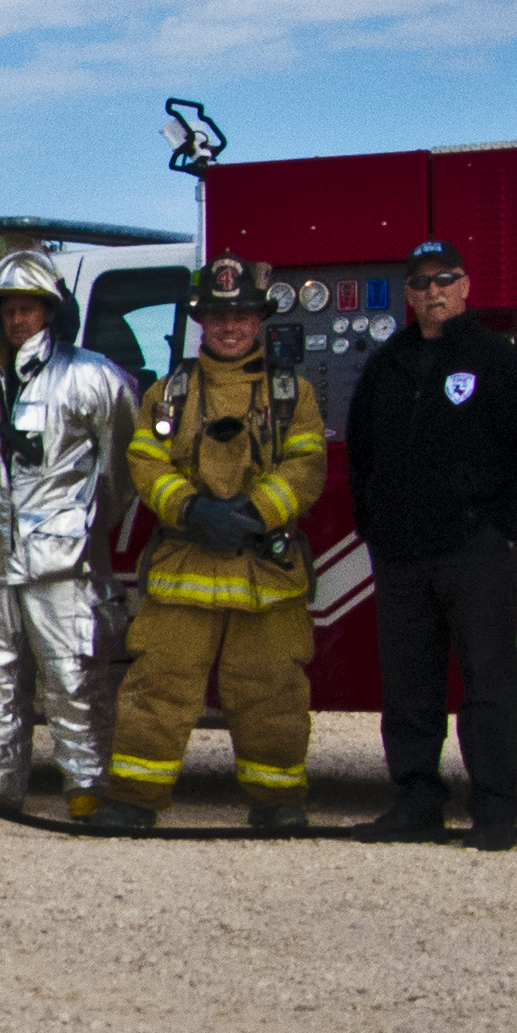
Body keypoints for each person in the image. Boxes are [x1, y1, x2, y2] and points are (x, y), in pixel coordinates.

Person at [97, 257, 327, 830]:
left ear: (259, 320)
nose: (229, 327)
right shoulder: (168, 392)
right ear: (200, 321)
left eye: (241, 315)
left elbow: (308, 463)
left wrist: (252, 512)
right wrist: (192, 509)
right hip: (186, 563)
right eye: (218, 316)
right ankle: (134, 800)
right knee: (159, 684)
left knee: (271, 689)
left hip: (263, 569)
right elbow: (144, 460)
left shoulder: (291, 392)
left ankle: (277, 803)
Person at [345, 240, 517, 852]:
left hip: (475, 551)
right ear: (408, 296)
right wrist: (374, 528)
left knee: (487, 685)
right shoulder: (388, 366)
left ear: (466, 286)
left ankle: (494, 812)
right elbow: (362, 454)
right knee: (408, 687)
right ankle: (415, 804)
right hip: (402, 555)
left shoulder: (498, 360)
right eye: (421, 283)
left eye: (445, 279)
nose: (433, 291)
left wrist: (506, 526)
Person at [0, 236, 139, 819]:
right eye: (8, 309)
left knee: (74, 675)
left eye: (30, 307)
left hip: (63, 563)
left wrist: (82, 529)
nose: (19, 319)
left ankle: (87, 787)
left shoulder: (93, 377)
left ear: (50, 310)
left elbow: (122, 470)